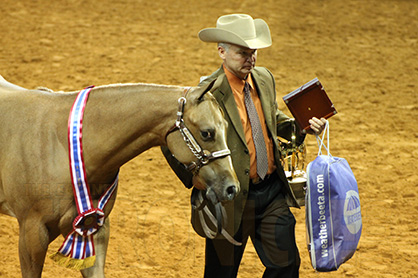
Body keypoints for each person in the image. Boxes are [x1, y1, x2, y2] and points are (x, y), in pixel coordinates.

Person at [162, 14, 326, 278]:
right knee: (220, 274)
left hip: (271, 191)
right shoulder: (206, 93)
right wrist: (194, 178)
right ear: (222, 52)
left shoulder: (263, 78)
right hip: (229, 199)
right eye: (243, 53)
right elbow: (170, 141)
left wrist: (303, 125)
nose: (251, 58)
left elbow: (271, 119)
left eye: (254, 52)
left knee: (286, 266)